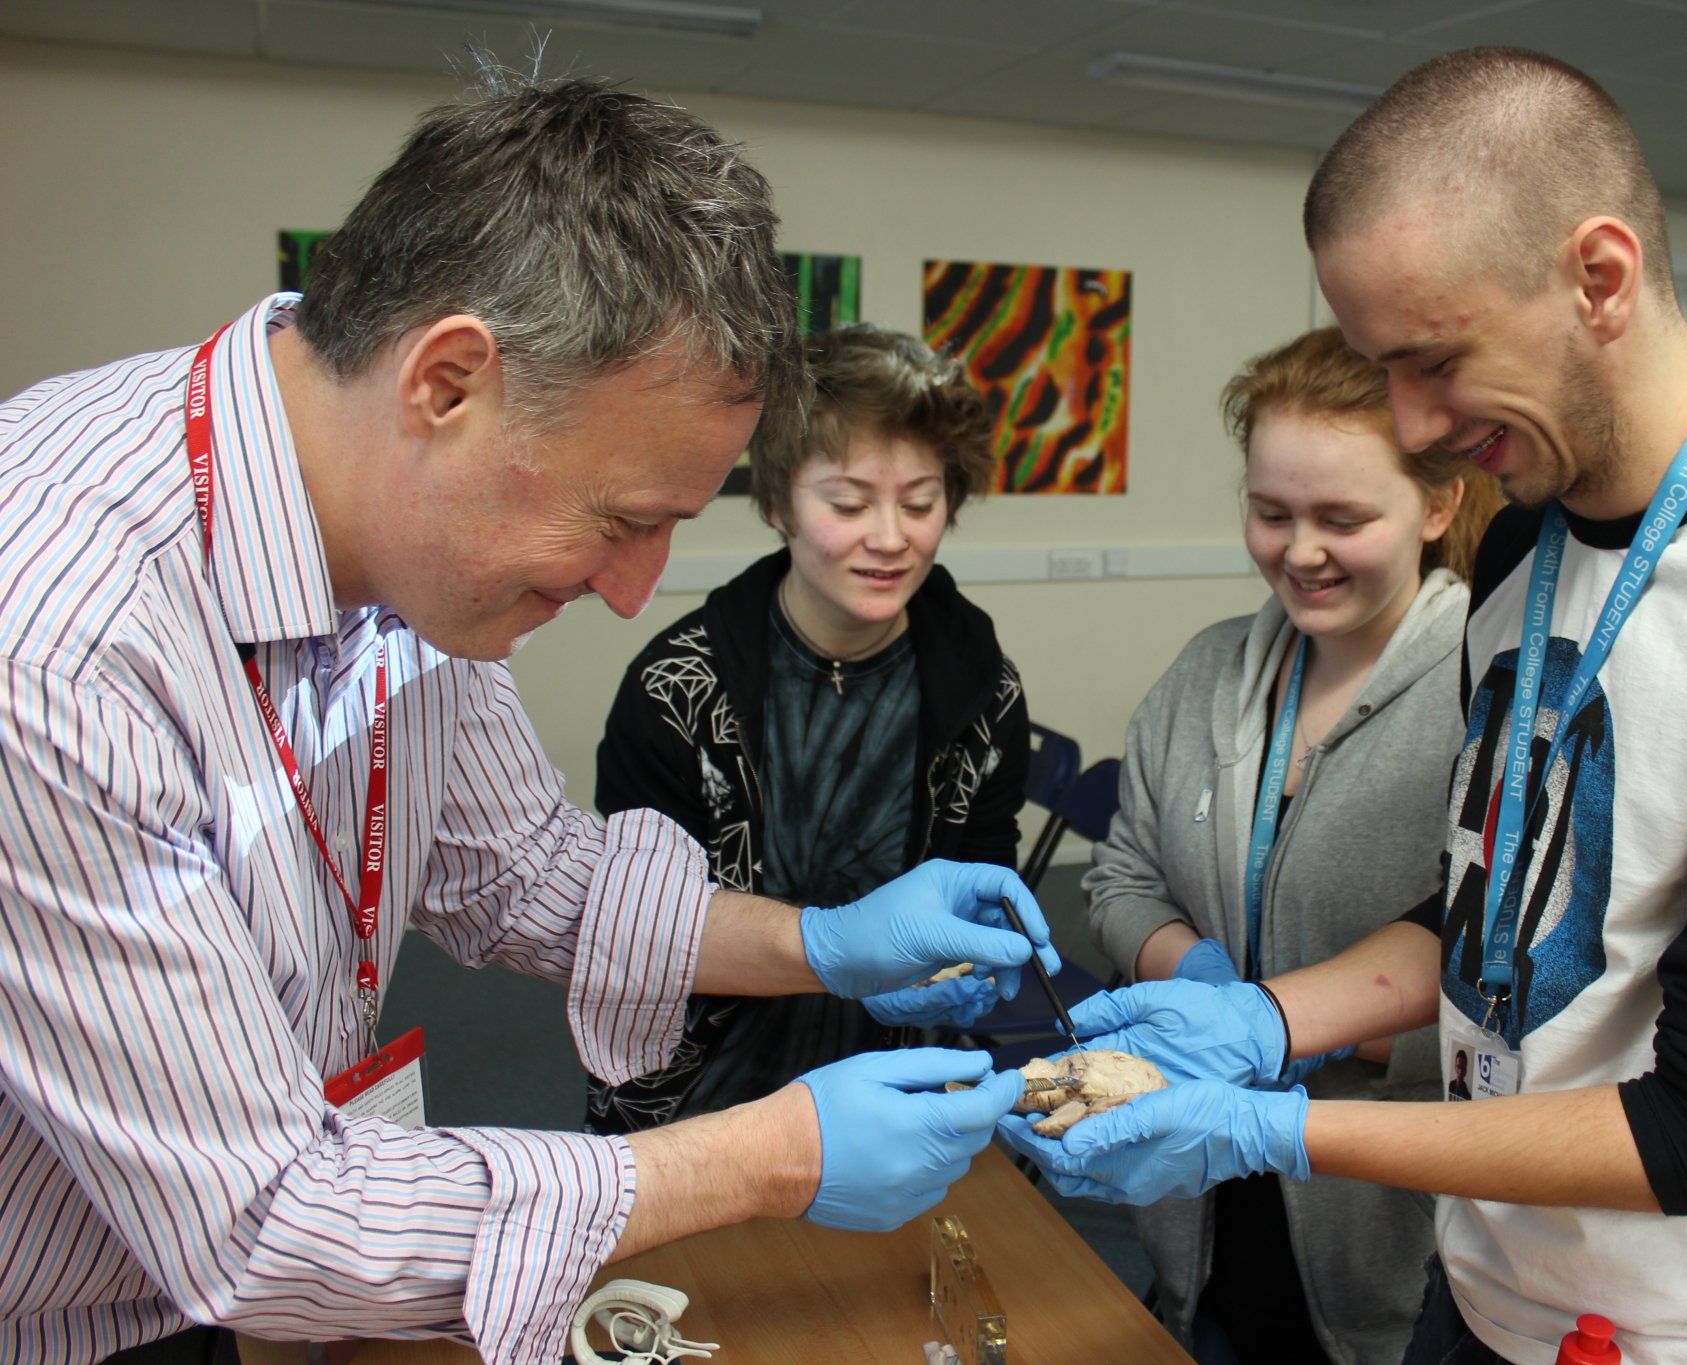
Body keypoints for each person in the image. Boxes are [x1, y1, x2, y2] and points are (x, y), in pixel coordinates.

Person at [0, 71, 1060, 1365]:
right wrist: (770, 1153)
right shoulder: (54, 639)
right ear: (448, 382)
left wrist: (825, 942)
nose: (629, 595)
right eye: (621, 522)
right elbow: (268, 1218)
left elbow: (522, 872)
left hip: (196, 1297)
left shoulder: (402, 552)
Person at [1002, 46, 1687, 1365]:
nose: (1410, 421)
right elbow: (1491, 908)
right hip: (1480, 1290)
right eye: (1377, 367)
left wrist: (1277, 1125)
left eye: (1434, 361)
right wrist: (1275, 1017)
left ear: (1600, 276)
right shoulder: (1525, 548)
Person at [1085, 327, 1498, 1364]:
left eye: (1341, 518)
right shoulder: (1208, 671)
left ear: (1437, 506)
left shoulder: (1485, 700)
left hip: (1383, 1229)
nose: (1297, 552)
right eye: (1270, 514)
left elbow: (1504, 994)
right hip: (1205, 1215)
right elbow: (1120, 875)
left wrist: (1292, 1025)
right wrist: (1200, 982)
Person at [588, 323, 1028, 1129]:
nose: (891, 538)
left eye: (921, 503)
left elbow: (980, 871)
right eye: (850, 503)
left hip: (897, 1091)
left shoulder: (982, 690)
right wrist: (834, 962)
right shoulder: (676, 693)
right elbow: (641, 932)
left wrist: (975, 943)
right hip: (701, 1107)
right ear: (780, 499)